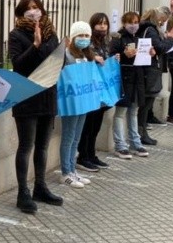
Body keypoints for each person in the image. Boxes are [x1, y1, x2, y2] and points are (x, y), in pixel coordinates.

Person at [9, 0, 64, 214]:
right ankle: (23, 192)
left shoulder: (51, 33)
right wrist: (35, 45)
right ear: (21, 13)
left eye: (37, 7)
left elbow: (56, 61)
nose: (34, 11)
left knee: (42, 146)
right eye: (29, 8)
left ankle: (40, 186)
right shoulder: (16, 35)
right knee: (26, 146)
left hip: (47, 94)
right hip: (26, 96)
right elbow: (18, 65)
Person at [77, 13, 121, 168]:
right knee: (88, 124)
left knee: (96, 124)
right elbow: (81, 59)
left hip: (103, 89)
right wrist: (93, 58)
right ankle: (83, 156)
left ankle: (91, 154)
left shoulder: (107, 42)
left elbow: (106, 62)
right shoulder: (87, 42)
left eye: (105, 23)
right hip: (91, 88)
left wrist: (114, 59)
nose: (102, 26)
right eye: (99, 23)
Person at [59, 21, 93, 188]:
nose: (84, 39)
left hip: (83, 101)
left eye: (87, 36)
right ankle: (65, 172)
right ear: (72, 37)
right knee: (68, 136)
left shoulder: (86, 55)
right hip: (71, 102)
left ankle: (73, 170)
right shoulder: (66, 55)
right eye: (80, 35)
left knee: (76, 137)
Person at [110, 11, 146, 160]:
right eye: (130, 22)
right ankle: (120, 145)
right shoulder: (118, 38)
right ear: (124, 23)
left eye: (136, 22)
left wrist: (150, 53)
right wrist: (125, 55)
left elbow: (143, 59)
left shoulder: (139, 39)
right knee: (121, 112)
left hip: (137, 79)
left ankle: (135, 143)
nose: (134, 25)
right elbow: (112, 57)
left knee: (134, 111)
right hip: (124, 79)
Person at [138, 6, 173, 144]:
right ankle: (141, 134)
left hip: (148, 70)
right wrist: (170, 40)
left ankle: (141, 133)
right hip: (150, 71)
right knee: (146, 104)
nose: (163, 23)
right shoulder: (151, 30)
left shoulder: (145, 29)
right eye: (163, 20)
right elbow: (159, 48)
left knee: (145, 104)